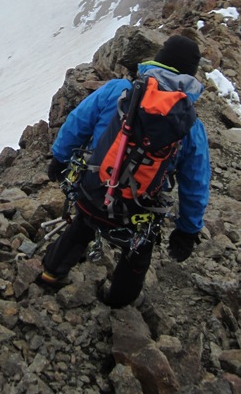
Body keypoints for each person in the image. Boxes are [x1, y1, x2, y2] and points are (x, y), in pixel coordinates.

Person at [39, 35, 211, 307]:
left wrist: (59, 158)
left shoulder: (119, 89)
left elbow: (77, 122)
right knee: (137, 256)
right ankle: (117, 306)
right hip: (139, 210)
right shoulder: (190, 126)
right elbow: (196, 182)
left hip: (94, 191)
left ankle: (51, 273)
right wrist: (187, 230)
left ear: (159, 60)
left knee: (81, 228)